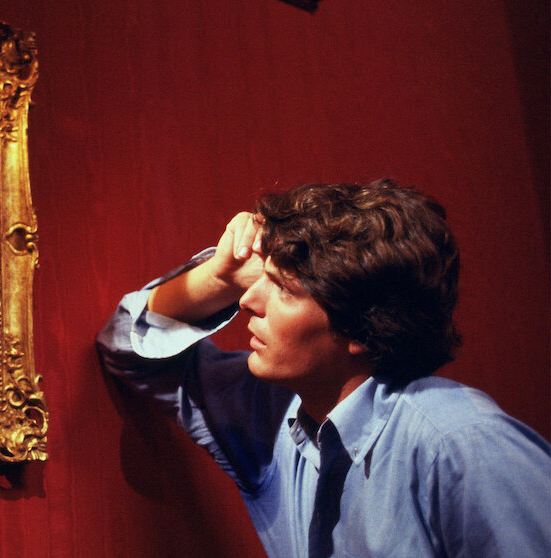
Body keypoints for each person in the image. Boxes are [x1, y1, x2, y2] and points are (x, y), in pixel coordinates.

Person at [96, 180, 551, 557]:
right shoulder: (275, 416)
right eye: (261, 281)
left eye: (284, 289)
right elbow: (126, 347)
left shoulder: (461, 444)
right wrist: (219, 276)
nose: (248, 300)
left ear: (360, 328)